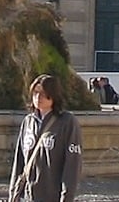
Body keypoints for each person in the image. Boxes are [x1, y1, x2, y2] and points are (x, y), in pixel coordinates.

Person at [11, 74, 83, 202]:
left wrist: (66, 197)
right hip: (28, 196)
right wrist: (14, 194)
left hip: (52, 195)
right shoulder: (28, 122)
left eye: (43, 93)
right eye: (35, 93)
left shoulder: (67, 122)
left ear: (53, 95)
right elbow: (19, 161)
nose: (38, 97)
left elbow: (72, 165)